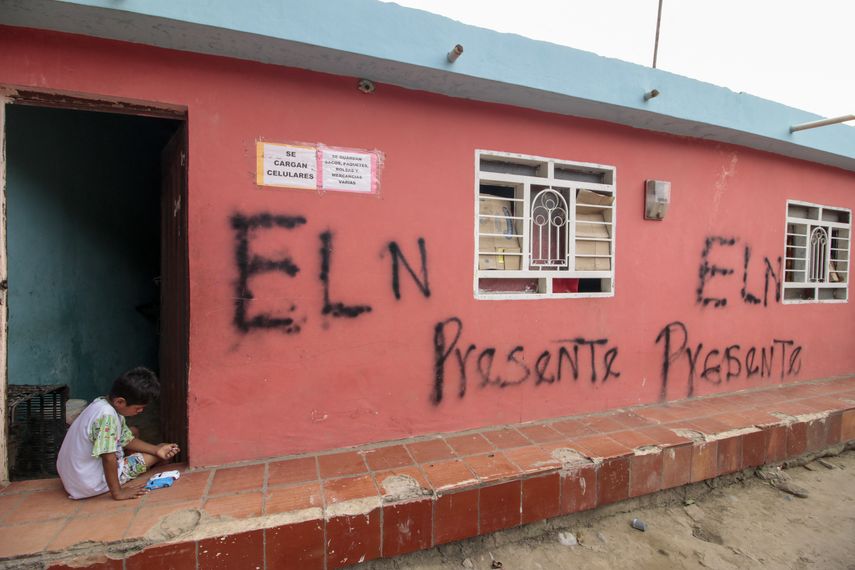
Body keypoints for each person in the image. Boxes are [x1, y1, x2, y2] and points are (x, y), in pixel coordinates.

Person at [57, 367, 180, 500]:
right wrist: (118, 493)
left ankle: (140, 457)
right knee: (156, 455)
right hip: (90, 483)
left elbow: (126, 439)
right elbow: (108, 457)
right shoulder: (107, 417)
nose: (140, 411)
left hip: (73, 476)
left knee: (136, 433)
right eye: (138, 408)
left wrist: (157, 449)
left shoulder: (101, 403)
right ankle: (124, 476)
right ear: (120, 402)